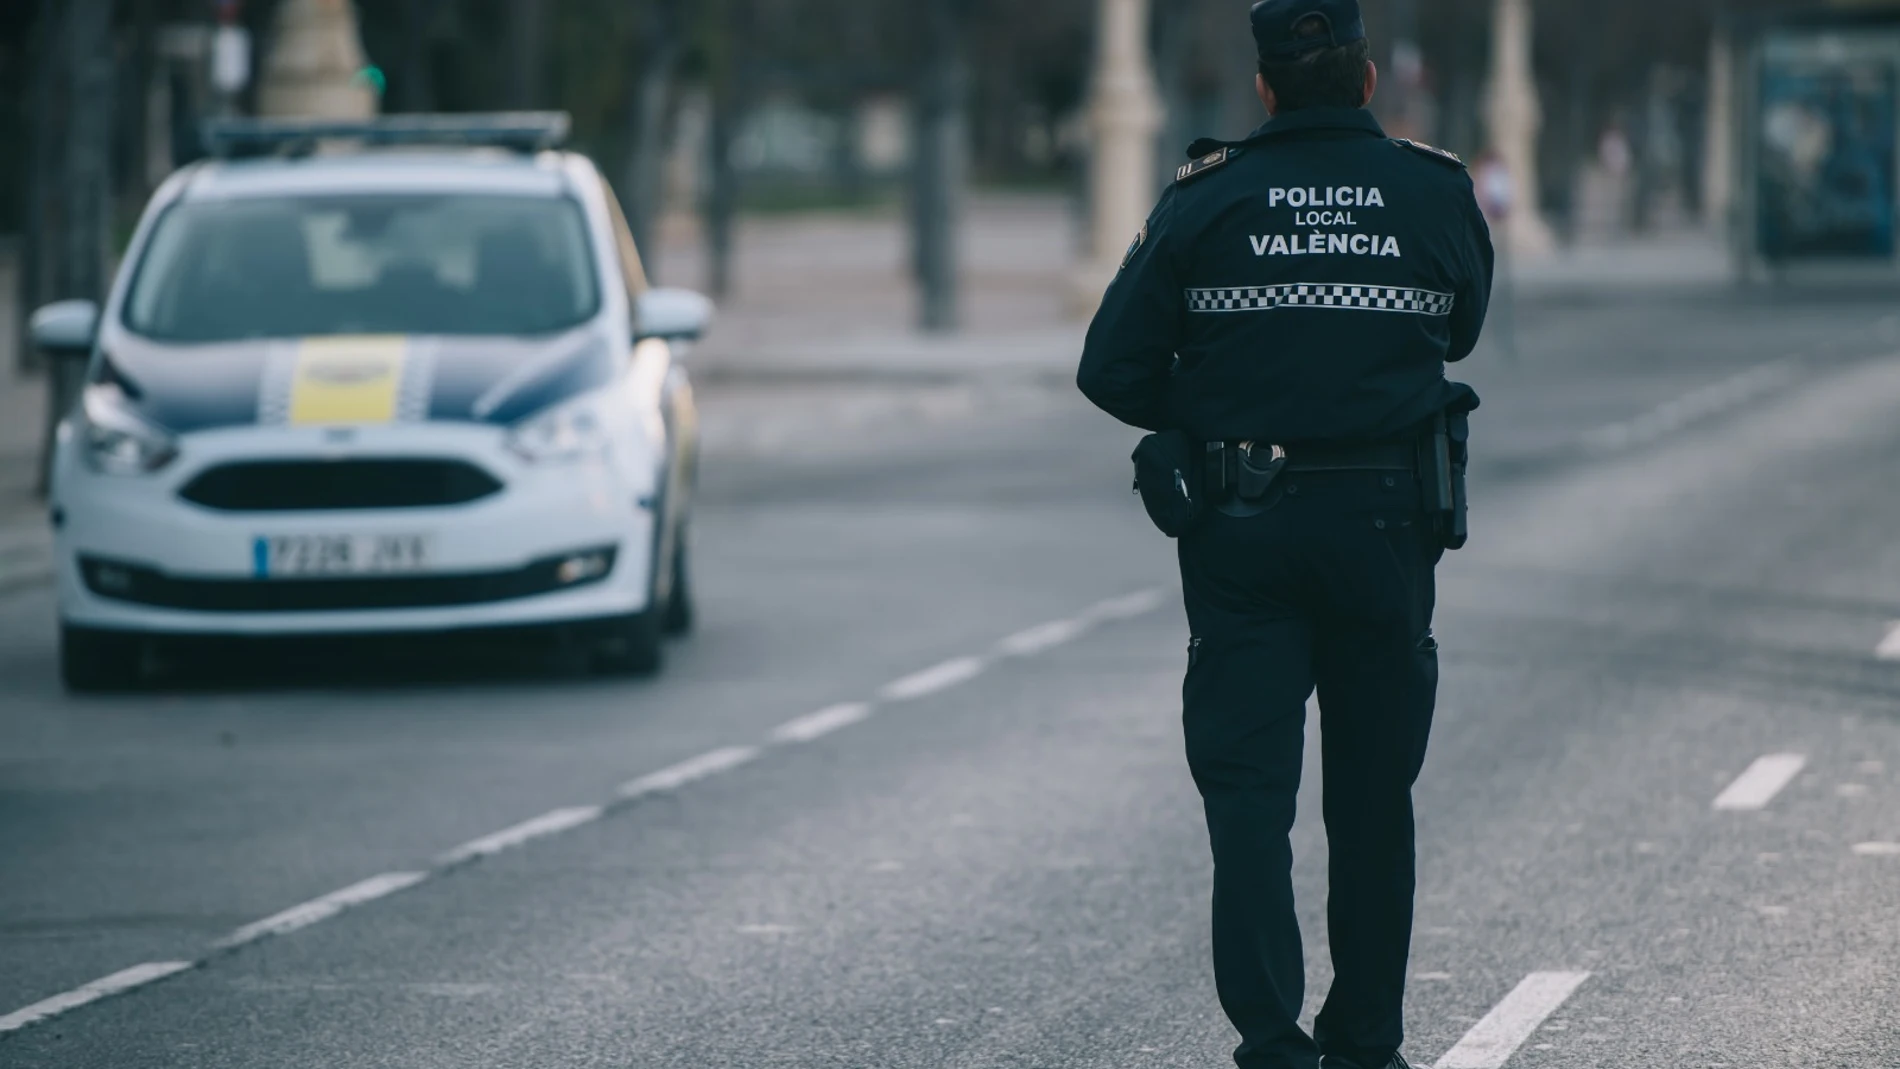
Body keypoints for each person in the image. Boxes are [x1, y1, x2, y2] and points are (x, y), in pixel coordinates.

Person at [1075, 2, 1493, 1068]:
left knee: (1249, 801)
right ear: (1366, 80)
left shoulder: (1205, 197)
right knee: (1371, 800)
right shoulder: (1432, 190)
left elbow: (1110, 367)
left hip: (1243, 532)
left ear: (1263, 87)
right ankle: (1364, 1042)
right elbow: (1459, 325)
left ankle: (1270, 1039)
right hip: (1382, 526)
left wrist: (1204, 409)